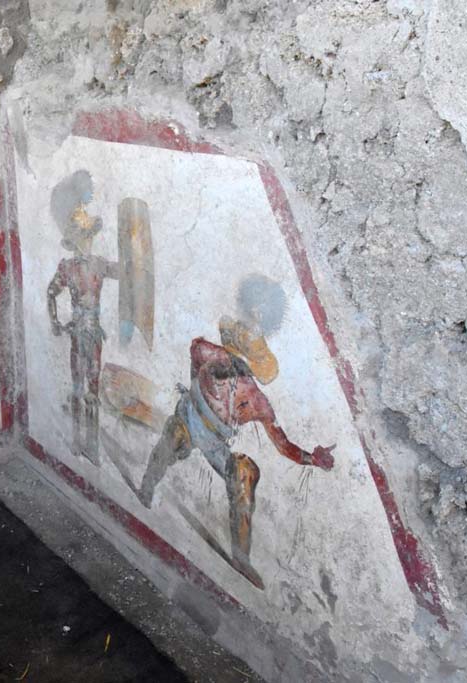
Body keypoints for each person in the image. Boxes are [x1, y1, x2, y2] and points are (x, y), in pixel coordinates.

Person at [129, 335, 334, 589]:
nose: (228, 363)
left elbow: (282, 445)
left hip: (215, 443)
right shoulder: (209, 354)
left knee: (245, 472)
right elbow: (194, 348)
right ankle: (147, 487)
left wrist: (312, 458)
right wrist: (193, 392)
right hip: (189, 419)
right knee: (173, 435)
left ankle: (241, 557)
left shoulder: (255, 402)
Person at [46, 170, 119, 464]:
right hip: (78, 330)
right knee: (78, 386)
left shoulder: (99, 265)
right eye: (81, 236)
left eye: (87, 235)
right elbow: (51, 292)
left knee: (93, 386)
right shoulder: (68, 267)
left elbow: (123, 272)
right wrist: (54, 322)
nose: (85, 241)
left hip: (93, 330)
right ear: (74, 241)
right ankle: (78, 441)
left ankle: (92, 446)